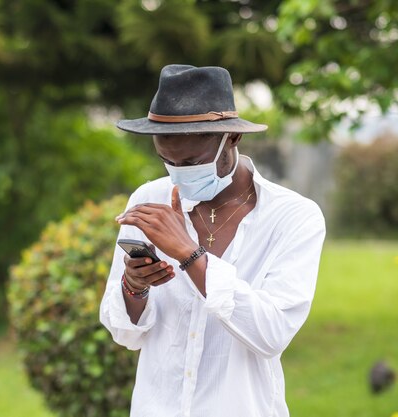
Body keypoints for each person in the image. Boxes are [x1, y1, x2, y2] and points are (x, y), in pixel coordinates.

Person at [99, 65, 326, 417]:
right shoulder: (149, 201)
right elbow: (124, 334)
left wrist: (190, 255)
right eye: (167, 161)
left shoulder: (293, 217)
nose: (177, 173)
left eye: (191, 161)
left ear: (231, 138)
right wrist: (134, 287)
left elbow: (271, 334)